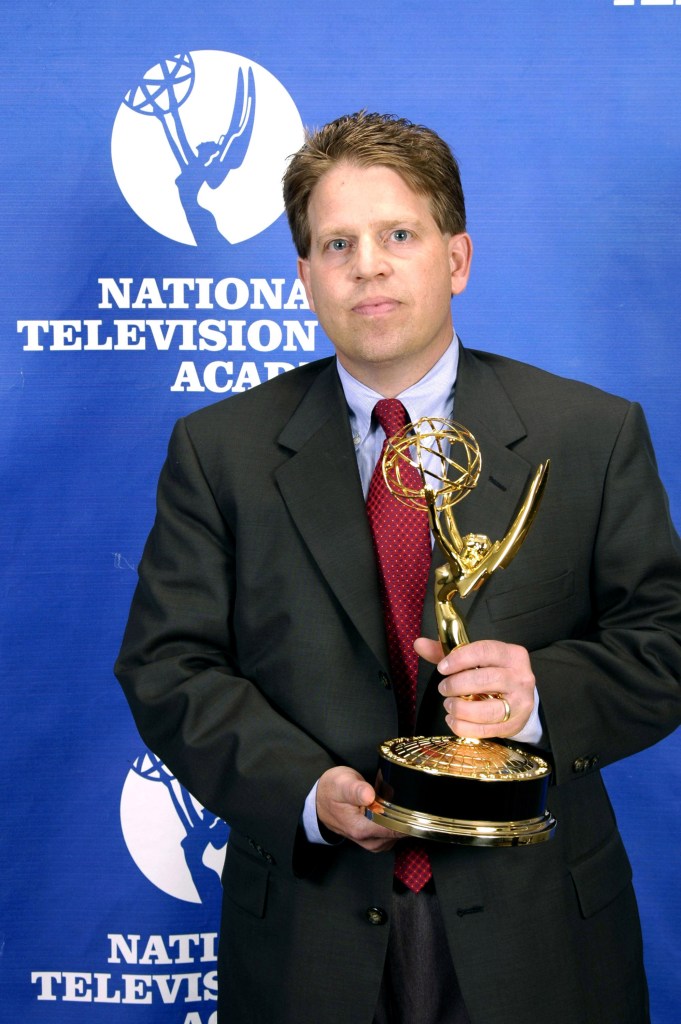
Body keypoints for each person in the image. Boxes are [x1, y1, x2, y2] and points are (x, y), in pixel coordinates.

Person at [115, 111, 681, 1024]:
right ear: (305, 278)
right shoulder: (218, 451)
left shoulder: (590, 434)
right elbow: (166, 666)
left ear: (454, 259)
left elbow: (665, 644)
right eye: (336, 243)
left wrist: (538, 697)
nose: (367, 265)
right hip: (309, 932)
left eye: (398, 235)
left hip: (540, 938)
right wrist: (304, 792)